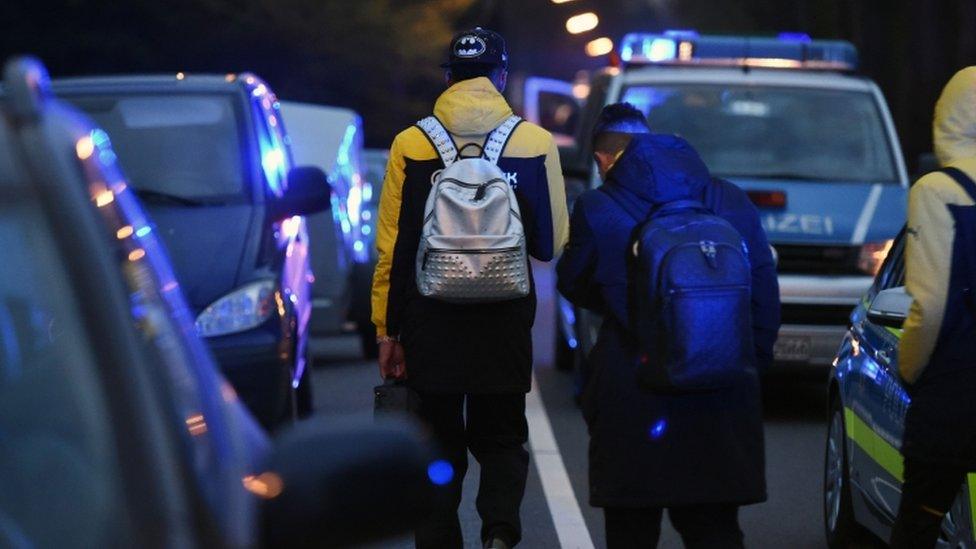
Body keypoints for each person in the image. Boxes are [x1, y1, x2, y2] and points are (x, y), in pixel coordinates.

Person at [371, 27, 568, 549]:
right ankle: (500, 532)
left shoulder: (412, 143)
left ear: (447, 78)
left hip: (427, 321)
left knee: (435, 443)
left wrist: (386, 331)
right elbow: (551, 243)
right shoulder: (534, 142)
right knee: (502, 438)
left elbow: (392, 247)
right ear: (501, 76)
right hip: (504, 320)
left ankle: (439, 541)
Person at [557, 103, 779, 548]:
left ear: (603, 157)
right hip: (721, 390)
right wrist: (746, 367)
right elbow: (764, 297)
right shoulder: (730, 198)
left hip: (634, 391)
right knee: (715, 530)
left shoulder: (597, 207)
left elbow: (573, 283)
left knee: (632, 530)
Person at [891, 67, 976, 548]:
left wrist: (910, 367)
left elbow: (931, 304)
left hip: (956, 394)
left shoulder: (938, 191)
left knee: (920, 524)